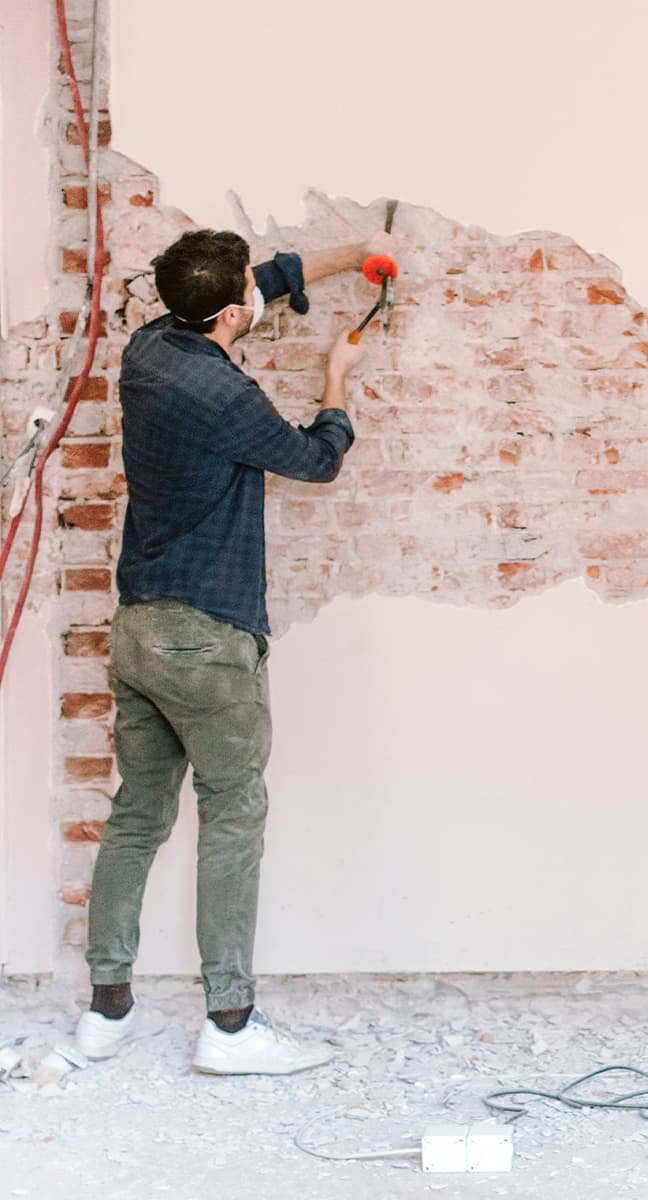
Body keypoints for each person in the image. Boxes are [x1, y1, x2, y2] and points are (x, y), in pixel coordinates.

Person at [73, 227, 395, 1075]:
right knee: (233, 818)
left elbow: (264, 277)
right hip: (206, 636)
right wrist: (336, 381)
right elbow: (316, 460)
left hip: (138, 628)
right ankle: (229, 1027)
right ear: (225, 314)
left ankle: (103, 1015)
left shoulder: (148, 348)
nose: (258, 294)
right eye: (246, 294)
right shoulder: (224, 399)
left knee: (137, 815)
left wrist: (354, 252)